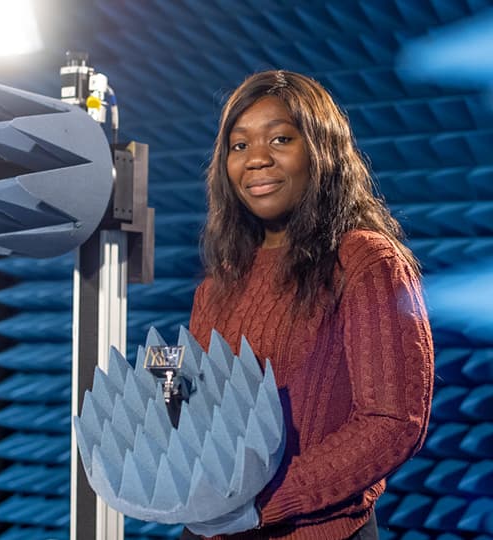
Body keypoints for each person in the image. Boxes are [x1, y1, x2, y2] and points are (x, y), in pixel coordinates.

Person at [184, 70, 435, 539]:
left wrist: (265, 502)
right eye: (239, 145)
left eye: (280, 139)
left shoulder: (365, 261)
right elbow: (200, 412)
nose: (256, 159)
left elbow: (392, 422)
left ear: (321, 149)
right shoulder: (219, 283)